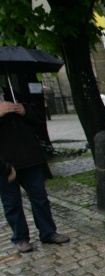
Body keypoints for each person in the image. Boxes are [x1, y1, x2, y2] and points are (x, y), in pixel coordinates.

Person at [0, 87, 70, 253]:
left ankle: (48, 232)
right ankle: (21, 238)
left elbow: (38, 119)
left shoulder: (13, 91)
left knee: (40, 198)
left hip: (30, 159)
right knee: (12, 203)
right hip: (5, 164)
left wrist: (25, 111)